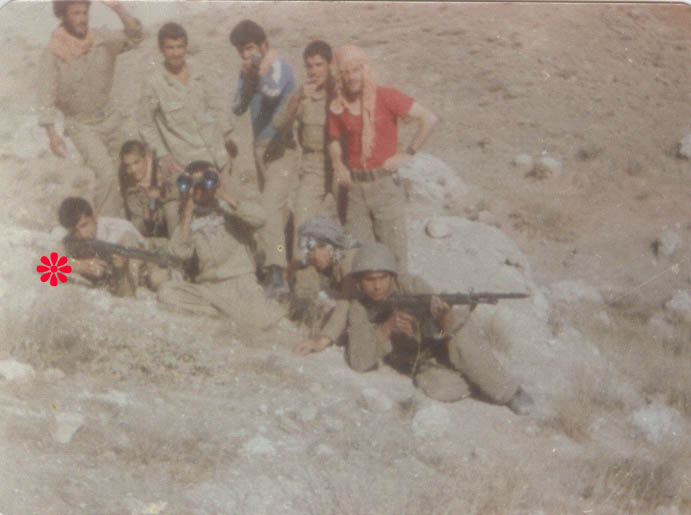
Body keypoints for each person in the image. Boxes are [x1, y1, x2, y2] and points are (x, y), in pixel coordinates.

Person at [304, 242, 535, 414]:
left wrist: (444, 317)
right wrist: (386, 328)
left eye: (382, 278)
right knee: (439, 388)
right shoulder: (359, 308)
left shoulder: (412, 286)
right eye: (370, 280)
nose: (377, 286)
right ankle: (478, 378)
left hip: (439, 342)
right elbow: (359, 362)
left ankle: (509, 392)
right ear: (358, 282)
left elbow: (442, 331)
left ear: (391, 276)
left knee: (461, 335)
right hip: (421, 362)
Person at [328, 45, 439, 274]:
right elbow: (333, 139)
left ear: (366, 71)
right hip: (355, 190)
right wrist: (338, 164)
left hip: (385, 186)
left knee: (394, 257)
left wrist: (407, 154)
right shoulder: (338, 105)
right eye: (345, 73)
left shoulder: (387, 97)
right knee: (360, 259)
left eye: (356, 70)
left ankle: (400, 296)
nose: (351, 77)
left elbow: (428, 119)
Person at [38, 0, 143, 217]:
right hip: (81, 125)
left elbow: (135, 36)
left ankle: (135, 221)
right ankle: (109, 228)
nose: (82, 19)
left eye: (85, 13)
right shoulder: (52, 54)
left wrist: (118, 8)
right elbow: (45, 97)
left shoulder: (102, 39)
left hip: (111, 117)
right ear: (63, 16)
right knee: (106, 175)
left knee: (128, 170)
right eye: (75, 13)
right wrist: (52, 136)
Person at [157, 161, 284, 330]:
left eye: (204, 183)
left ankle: (227, 316)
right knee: (166, 292)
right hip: (210, 288)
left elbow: (261, 218)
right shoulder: (189, 217)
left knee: (262, 322)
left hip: (240, 282)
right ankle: (227, 315)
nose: (199, 189)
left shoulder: (229, 209)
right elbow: (179, 253)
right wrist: (187, 212)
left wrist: (223, 194)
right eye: (194, 185)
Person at [229, 19, 297, 297]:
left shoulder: (279, 65)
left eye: (250, 48)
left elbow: (272, 92)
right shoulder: (248, 72)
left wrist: (257, 73)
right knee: (276, 214)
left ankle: (277, 272)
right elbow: (237, 107)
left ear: (263, 45)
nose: (246, 55)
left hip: (282, 148)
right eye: (241, 51)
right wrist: (248, 79)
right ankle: (287, 263)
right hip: (260, 148)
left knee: (269, 208)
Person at [139, 22, 236, 208]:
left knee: (231, 208)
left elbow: (215, 104)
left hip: (218, 155)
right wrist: (162, 154)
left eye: (180, 47)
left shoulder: (199, 70)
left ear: (186, 47)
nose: (176, 53)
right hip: (188, 164)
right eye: (170, 47)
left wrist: (226, 133)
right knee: (194, 213)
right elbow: (145, 124)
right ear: (161, 49)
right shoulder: (154, 83)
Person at [273, 40, 337, 239]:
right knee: (302, 219)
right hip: (313, 166)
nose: (313, 71)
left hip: (342, 165)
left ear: (330, 64)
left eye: (319, 65)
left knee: (347, 221)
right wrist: (296, 98)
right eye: (309, 66)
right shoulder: (304, 95)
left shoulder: (342, 90)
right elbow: (278, 124)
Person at [290, 217, 360, 353]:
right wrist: (287, 271)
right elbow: (304, 261)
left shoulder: (348, 260)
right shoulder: (330, 255)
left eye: (322, 247)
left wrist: (320, 342)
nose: (316, 255)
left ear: (333, 244)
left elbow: (346, 303)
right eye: (311, 249)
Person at [57, 196, 148, 297]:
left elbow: (143, 256)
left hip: (135, 276)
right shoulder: (70, 239)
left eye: (84, 225)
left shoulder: (119, 232)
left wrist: (120, 269)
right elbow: (47, 264)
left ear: (94, 216)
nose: (82, 233)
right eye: (74, 231)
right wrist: (79, 266)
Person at [119, 140, 178, 237]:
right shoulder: (131, 190)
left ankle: (179, 246)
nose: (133, 170)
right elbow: (136, 223)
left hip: (179, 218)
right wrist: (147, 221)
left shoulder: (163, 168)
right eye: (128, 166)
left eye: (136, 162)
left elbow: (185, 190)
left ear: (145, 158)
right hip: (158, 227)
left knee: (171, 208)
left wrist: (164, 193)